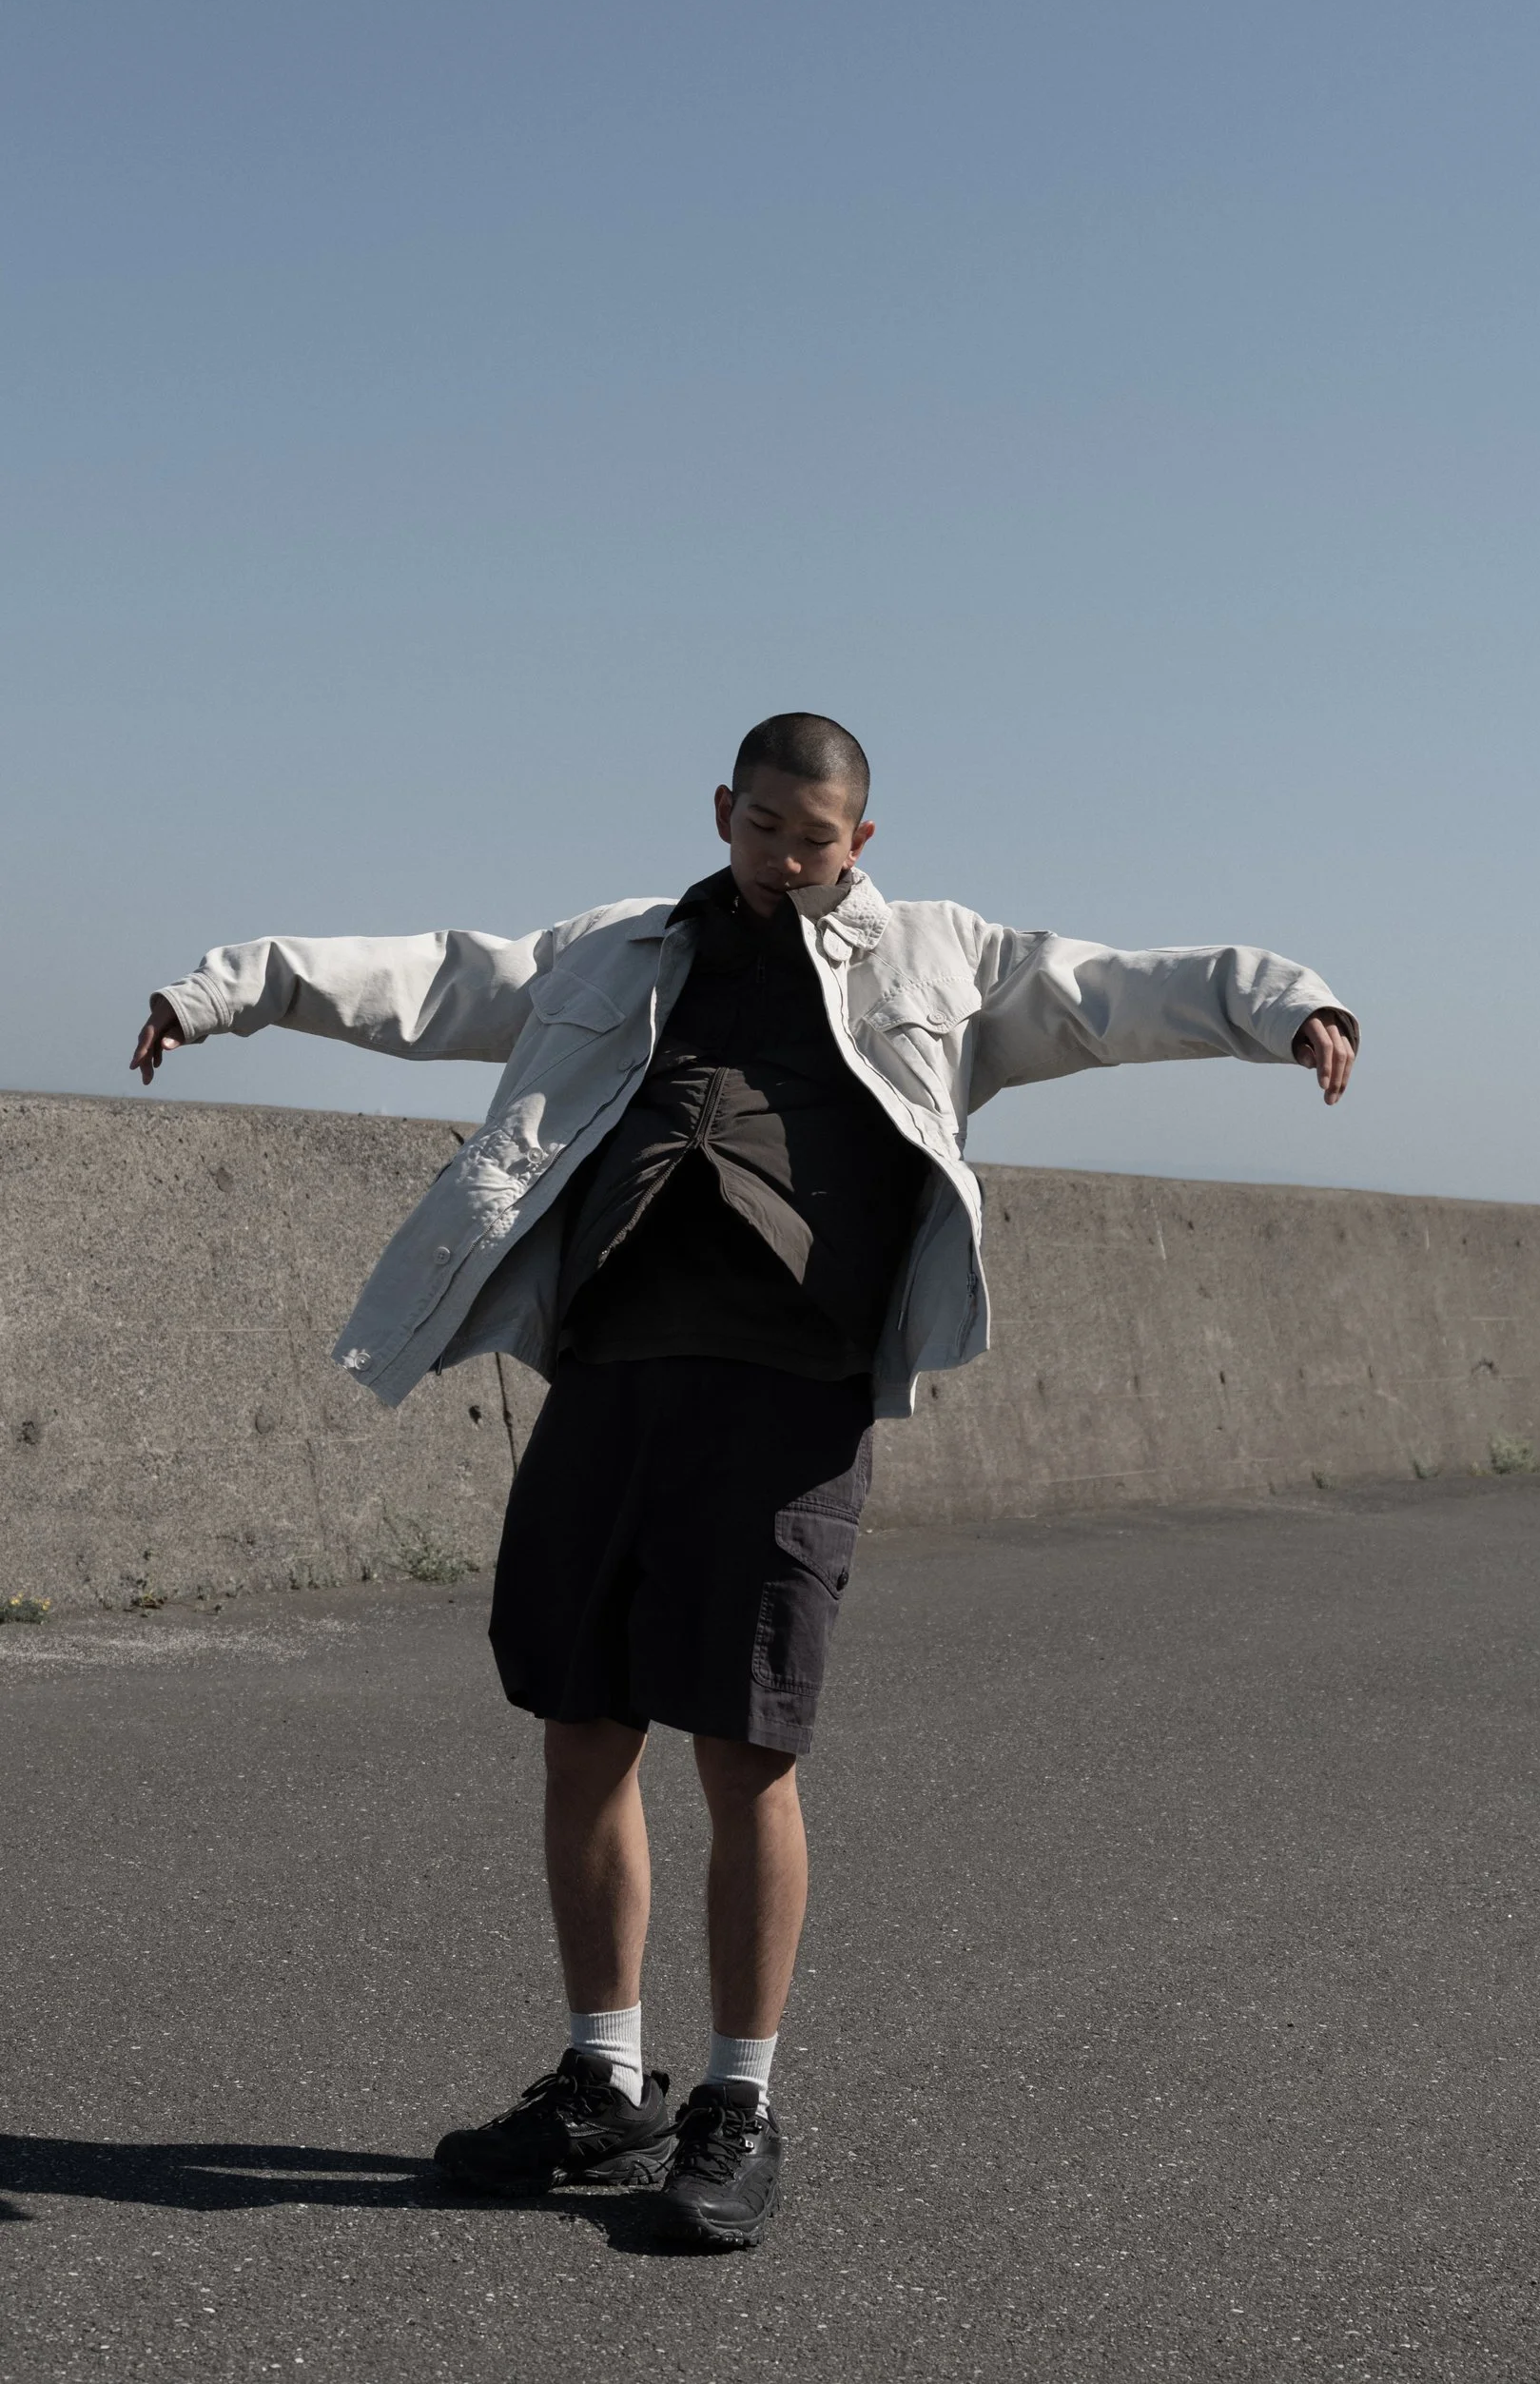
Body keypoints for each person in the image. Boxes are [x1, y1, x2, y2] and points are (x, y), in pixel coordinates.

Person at [130, 711, 1358, 2252]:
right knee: (583, 1726)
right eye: (763, 826)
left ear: (862, 841)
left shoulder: (942, 957)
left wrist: (1289, 1005)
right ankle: (602, 2080)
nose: (785, 858)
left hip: (788, 1394)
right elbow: (429, 978)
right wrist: (222, 992)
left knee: (745, 1747)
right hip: (613, 1373)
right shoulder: (615, 949)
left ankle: (738, 2101)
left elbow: (1117, 991)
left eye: (815, 838)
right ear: (724, 810)